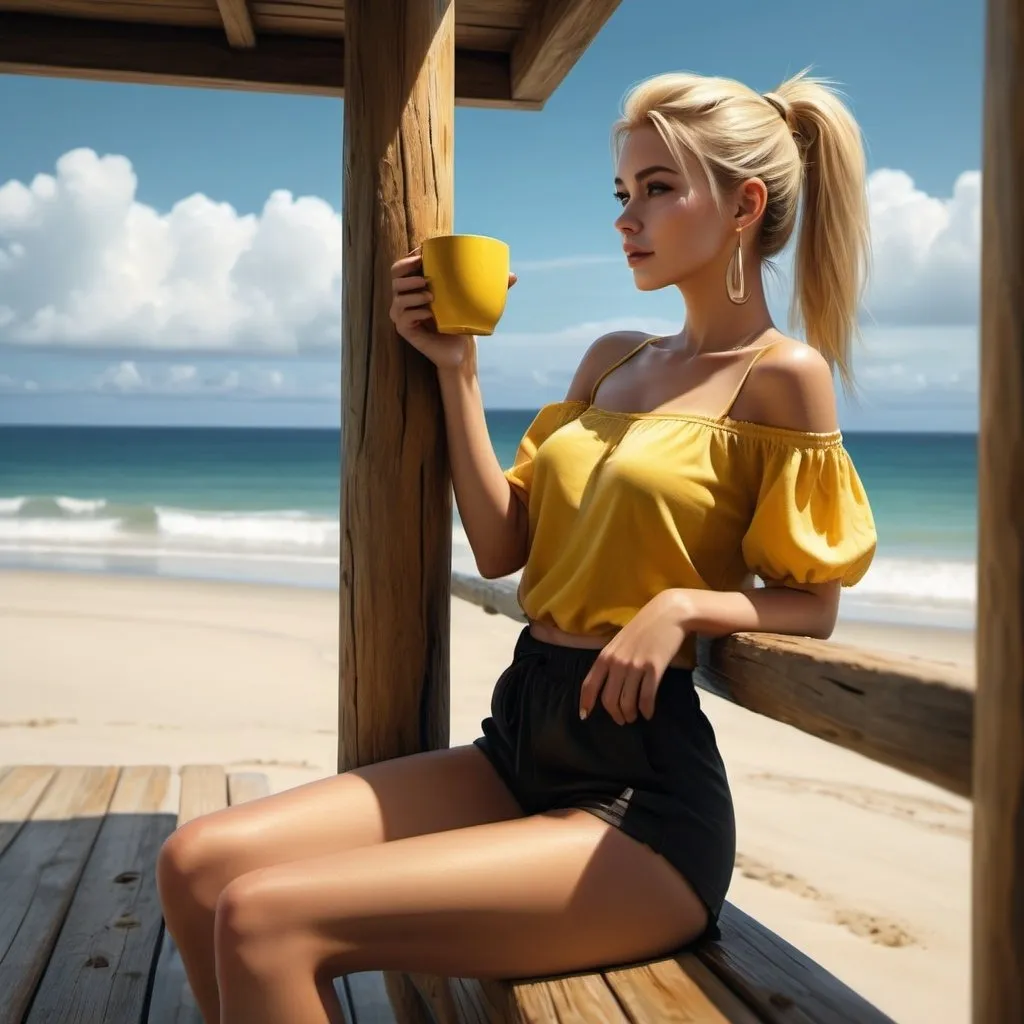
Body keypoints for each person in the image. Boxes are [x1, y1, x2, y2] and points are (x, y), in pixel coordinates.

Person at [156, 69, 877, 1024]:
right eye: (624, 192)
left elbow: (813, 602)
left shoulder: (783, 378)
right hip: (518, 743)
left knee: (264, 917)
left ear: (745, 205)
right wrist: (459, 371)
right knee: (198, 865)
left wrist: (684, 607)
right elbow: (501, 543)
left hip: (641, 803)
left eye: (660, 188)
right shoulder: (613, 358)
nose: (629, 216)